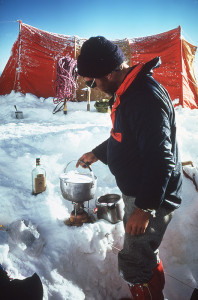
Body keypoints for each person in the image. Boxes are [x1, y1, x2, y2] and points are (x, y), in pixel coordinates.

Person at [76, 36, 182, 300]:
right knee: (142, 256)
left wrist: (145, 208)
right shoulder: (128, 91)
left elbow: (160, 158)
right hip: (144, 193)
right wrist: (98, 153)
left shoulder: (143, 97)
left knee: (134, 261)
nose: (93, 87)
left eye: (92, 81)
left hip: (153, 197)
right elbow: (124, 135)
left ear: (111, 72)